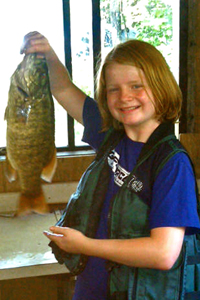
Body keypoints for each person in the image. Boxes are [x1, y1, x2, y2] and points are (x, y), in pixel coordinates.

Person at [21, 32, 200, 300]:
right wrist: (48, 55)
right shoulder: (109, 135)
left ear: (161, 87)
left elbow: (164, 253)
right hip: (90, 289)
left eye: (136, 86)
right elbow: (62, 89)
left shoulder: (172, 163)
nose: (124, 96)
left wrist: (86, 246)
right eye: (113, 89)